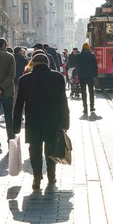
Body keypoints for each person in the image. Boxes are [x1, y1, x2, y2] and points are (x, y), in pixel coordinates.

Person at [13, 52, 70, 190]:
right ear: (48, 64)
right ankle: (51, 175)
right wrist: (65, 123)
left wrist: (15, 127)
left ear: (32, 63)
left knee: (35, 149)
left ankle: (37, 177)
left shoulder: (24, 79)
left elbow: (19, 104)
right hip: (53, 119)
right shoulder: (57, 77)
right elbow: (63, 101)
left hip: (33, 119)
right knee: (51, 147)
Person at [77, 43, 98, 113]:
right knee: (91, 92)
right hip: (90, 76)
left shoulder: (79, 56)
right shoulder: (92, 55)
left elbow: (77, 65)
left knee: (83, 92)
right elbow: (95, 66)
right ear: (88, 48)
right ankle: (92, 107)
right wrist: (96, 75)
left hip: (82, 76)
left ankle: (85, 108)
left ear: (82, 48)